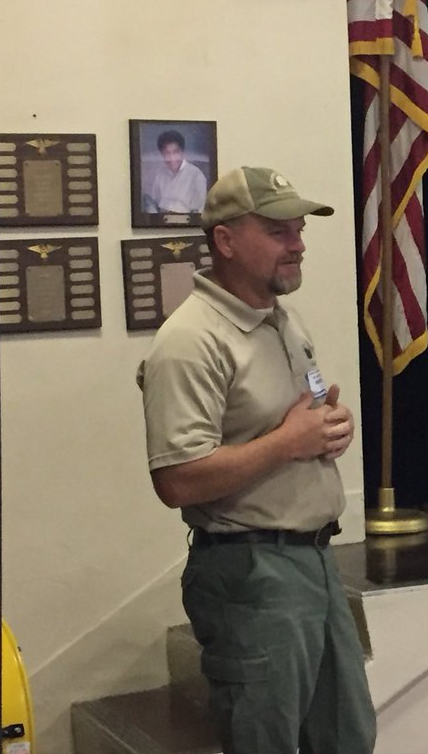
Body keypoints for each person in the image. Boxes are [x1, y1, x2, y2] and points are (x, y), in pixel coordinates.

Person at [137, 166, 376, 754]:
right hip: (250, 573)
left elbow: (309, 404)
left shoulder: (284, 321)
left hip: (315, 562)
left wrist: (329, 424)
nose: (297, 245)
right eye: (277, 232)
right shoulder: (190, 342)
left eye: (299, 231)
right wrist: (289, 442)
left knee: (347, 737)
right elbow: (176, 480)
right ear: (225, 240)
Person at [147, 128, 208, 213]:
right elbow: (153, 203)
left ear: (182, 152)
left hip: (186, 219)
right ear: (161, 154)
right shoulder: (160, 174)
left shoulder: (196, 175)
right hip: (161, 218)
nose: (172, 158)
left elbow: (200, 210)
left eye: (175, 152)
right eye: (167, 153)